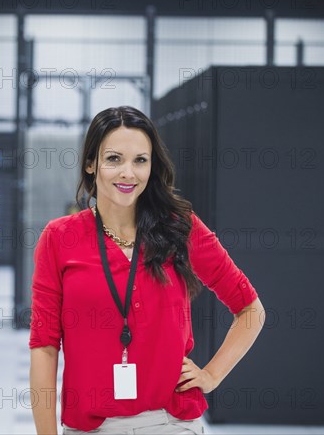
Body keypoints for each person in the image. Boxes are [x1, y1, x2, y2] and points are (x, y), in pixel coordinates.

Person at [29, 106, 264, 435]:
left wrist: (212, 375)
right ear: (90, 163)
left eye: (140, 160)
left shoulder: (180, 227)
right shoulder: (59, 238)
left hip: (171, 424)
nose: (128, 173)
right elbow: (44, 346)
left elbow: (250, 309)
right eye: (114, 159)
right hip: (92, 428)